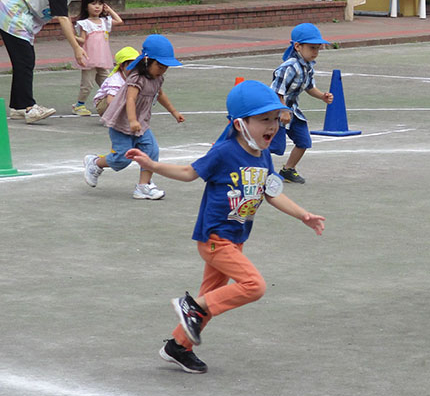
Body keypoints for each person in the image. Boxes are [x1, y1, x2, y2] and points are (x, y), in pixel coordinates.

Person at [125, 80, 326, 373]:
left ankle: (178, 346)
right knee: (252, 286)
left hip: (235, 239)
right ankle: (190, 307)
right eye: (264, 119)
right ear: (240, 123)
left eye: (275, 119)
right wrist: (152, 165)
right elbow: (188, 172)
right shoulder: (224, 152)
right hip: (215, 238)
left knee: (209, 297)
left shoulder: (264, 155)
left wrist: (303, 215)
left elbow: (272, 193)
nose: (273, 125)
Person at [0, 0, 105, 123]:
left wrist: (77, 38)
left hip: (20, 18)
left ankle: (18, 106)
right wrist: (76, 48)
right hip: (13, 14)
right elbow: (62, 18)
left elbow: (64, 15)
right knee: (25, 60)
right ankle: (29, 107)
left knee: (24, 62)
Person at [83, 34, 185, 200]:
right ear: (146, 61)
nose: (163, 70)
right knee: (121, 159)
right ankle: (95, 163)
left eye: (166, 67)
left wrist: (174, 112)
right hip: (122, 122)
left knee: (151, 151)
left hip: (141, 124)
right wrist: (132, 120)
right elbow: (130, 99)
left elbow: (160, 95)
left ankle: (143, 186)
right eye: (160, 66)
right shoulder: (136, 78)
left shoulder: (158, 78)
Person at [269, 23, 334, 184]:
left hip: (292, 111)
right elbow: (277, 91)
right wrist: (283, 111)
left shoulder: (308, 66)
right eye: (312, 48)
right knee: (275, 147)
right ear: (298, 46)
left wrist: (322, 96)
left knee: (304, 141)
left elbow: (309, 87)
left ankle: (288, 170)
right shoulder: (289, 67)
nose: (316, 52)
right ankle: (253, 166)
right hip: (277, 111)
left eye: (318, 48)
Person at [72, 0, 123, 116]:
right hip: (89, 59)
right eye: (93, 4)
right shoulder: (84, 23)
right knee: (87, 85)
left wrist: (109, 10)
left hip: (102, 59)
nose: (97, 7)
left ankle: (111, 103)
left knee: (107, 82)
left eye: (100, 4)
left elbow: (119, 21)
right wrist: (72, 36)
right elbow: (82, 40)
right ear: (86, 6)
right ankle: (79, 105)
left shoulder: (105, 21)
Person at [93, 46, 139, 116]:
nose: (134, 69)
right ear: (121, 66)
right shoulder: (116, 80)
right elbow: (110, 101)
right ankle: (111, 117)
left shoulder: (135, 76)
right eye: (131, 66)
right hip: (104, 104)